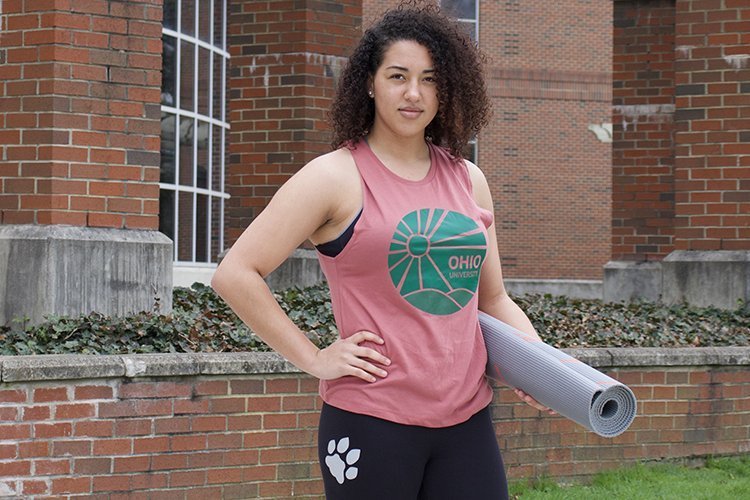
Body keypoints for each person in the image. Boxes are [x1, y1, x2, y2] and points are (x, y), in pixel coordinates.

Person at [212, 2, 550, 498]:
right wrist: (314, 358)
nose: (414, 93)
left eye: (430, 79)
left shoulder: (469, 179)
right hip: (372, 422)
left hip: (467, 422)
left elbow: (492, 299)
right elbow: (236, 273)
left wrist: (540, 366)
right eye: (398, 76)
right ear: (369, 83)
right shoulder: (335, 176)